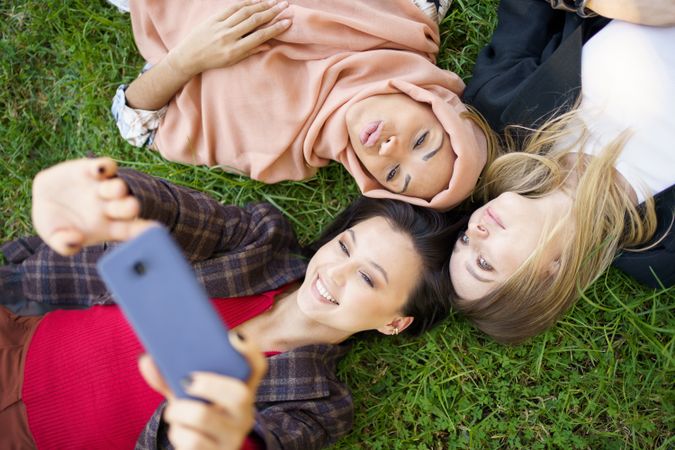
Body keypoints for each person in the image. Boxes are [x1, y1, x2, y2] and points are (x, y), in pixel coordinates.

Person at [0, 157, 466, 449]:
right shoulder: (261, 243)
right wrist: (110, 195)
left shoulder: (318, 404)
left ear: (394, 323)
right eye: (345, 246)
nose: (335, 272)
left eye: (368, 277)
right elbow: (180, 215)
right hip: (18, 328)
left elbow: (264, 442)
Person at [112, 0, 493, 210]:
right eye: (422, 140)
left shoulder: (280, 154)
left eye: (393, 174)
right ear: (430, 101)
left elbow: (136, 124)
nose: (389, 149)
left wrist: (186, 60)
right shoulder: (404, 20)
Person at [448, 5, 675, 344]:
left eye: (463, 241)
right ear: (548, 276)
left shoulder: (505, 105)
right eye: (484, 262)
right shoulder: (661, 252)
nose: (474, 230)